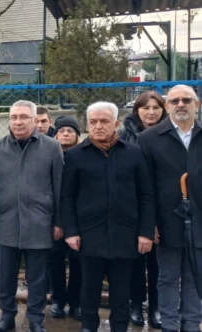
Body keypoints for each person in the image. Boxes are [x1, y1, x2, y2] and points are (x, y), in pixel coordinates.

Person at [61, 102, 155, 332]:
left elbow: (146, 195)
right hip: (88, 235)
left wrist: (145, 231)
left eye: (104, 121)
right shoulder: (75, 156)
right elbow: (67, 198)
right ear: (86, 125)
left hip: (126, 235)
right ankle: (89, 327)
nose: (98, 126)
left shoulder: (133, 153)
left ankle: (119, 327)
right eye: (93, 122)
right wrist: (71, 231)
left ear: (115, 123)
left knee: (121, 292)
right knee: (89, 289)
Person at [0, 100, 63, 332]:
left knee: (38, 277)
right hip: (6, 222)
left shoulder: (52, 147)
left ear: (35, 120)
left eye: (24, 117)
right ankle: (7, 315)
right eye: (13, 117)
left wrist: (58, 221)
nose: (18, 122)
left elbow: (59, 187)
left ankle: (36, 318)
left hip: (40, 223)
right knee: (6, 276)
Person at [139, 84, 202, 332]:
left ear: (197, 105)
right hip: (166, 220)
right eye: (174, 101)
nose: (180, 105)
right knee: (166, 277)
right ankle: (170, 325)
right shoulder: (150, 139)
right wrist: (149, 223)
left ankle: (191, 325)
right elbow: (145, 187)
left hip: (200, 220)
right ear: (167, 106)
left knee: (194, 276)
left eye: (187, 100)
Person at [120, 91, 167, 329]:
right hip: (131, 208)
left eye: (156, 107)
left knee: (158, 263)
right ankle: (136, 304)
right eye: (145, 107)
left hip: (163, 208)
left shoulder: (169, 135)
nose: (151, 112)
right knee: (135, 261)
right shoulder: (123, 136)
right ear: (137, 110)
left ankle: (156, 307)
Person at [49, 116, 82, 321]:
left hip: (79, 221)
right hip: (54, 220)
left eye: (70, 131)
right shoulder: (50, 157)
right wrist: (56, 221)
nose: (66, 134)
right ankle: (58, 300)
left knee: (78, 262)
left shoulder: (83, 155)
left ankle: (76, 301)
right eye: (61, 131)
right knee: (55, 262)